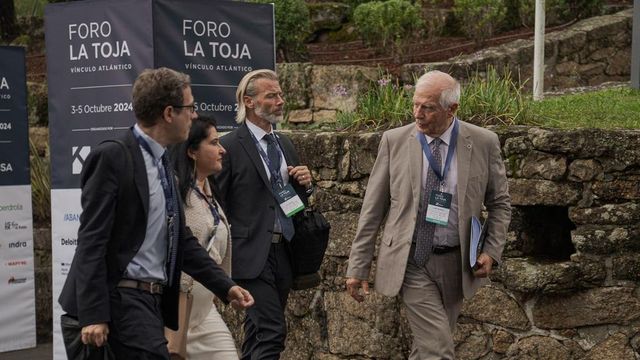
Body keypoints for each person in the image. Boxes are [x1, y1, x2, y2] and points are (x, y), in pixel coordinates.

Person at [58, 67, 254, 359]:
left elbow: (182, 241)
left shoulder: (165, 165)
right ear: (168, 113)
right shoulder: (113, 157)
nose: (194, 115)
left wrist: (225, 287)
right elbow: (92, 240)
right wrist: (93, 314)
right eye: (190, 108)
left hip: (152, 300)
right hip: (119, 299)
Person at [345, 70, 511, 359]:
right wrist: (358, 267)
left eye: (428, 107)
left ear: (452, 109)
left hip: (457, 263)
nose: (417, 114)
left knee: (427, 348)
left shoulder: (483, 142)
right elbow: (372, 210)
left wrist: (491, 251)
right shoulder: (394, 141)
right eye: (415, 105)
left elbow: (500, 204)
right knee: (439, 349)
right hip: (412, 260)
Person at [215, 69, 313, 359]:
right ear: (249, 101)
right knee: (272, 331)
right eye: (272, 95)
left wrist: (305, 185)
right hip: (249, 255)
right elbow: (216, 204)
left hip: (284, 252)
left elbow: (294, 203)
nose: (281, 100)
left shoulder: (285, 144)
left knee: (259, 335)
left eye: (280, 94)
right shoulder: (230, 146)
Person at [170, 116, 238, 359]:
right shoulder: (175, 193)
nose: (222, 150)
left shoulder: (210, 192)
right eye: (214, 143)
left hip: (204, 314)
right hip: (174, 312)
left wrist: (225, 286)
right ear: (192, 152)